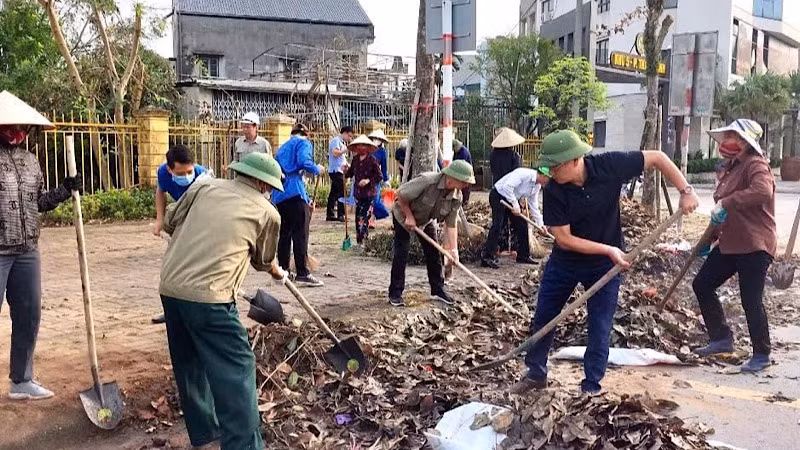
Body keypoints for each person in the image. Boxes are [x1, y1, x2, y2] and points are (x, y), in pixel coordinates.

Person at [511, 130, 699, 395]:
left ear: (575, 160)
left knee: (600, 324)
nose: (550, 171)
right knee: (545, 316)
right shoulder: (553, 189)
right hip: (566, 261)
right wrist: (608, 249)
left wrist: (686, 190)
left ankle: (591, 386)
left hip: (605, 266)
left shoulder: (610, 165)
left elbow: (657, 158)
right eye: (548, 166)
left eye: (555, 166)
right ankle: (536, 373)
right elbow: (563, 239)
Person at [160, 152, 286, 450]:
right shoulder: (268, 213)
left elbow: (168, 222)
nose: (269, 192)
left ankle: (206, 434)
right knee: (237, 368)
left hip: (171, 288)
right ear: (260, 182)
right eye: (268, 187)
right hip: (212, 299)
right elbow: (262, 260)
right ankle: (244, 445)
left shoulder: (204, 187)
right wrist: (277, 272)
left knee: (190, 363)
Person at [0, 91, 81, 400]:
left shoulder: (31, 161)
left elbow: (40, 202)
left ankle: (21, 381)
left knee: (30, 313)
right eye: (10, 126)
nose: (16, 131)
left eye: (21, 126)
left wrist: (65, 189)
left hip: (27, 251)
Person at [691, 119, 776, 373]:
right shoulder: (731, 168)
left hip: (754, 244)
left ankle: (762, 353)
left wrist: (727, 202)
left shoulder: (756, 165)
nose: (727, 139)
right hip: (730, 243)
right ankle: (721, 339)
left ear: (743, 142)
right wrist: (709, 239)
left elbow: (763, 191)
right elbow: (723, 212)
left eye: (732, 135)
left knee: (750, 299)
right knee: (702, 284)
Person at [388, 160, 475, 307]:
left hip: (425, 220)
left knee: (433, 253)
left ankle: (438, 290)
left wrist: (453, 250)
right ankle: (395, 293)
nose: (466, 185)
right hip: (403, 215)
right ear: (452, 178)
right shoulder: (428, 181)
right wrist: (409, 216)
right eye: (464, 181)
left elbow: (451, 223)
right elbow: (401, 195)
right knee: (402, 253)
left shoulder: (456, 196)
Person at [151, 145, 210, 324]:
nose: (186, 176)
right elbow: (160, 192)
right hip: (180, 218)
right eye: (181, 173)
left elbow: (212, 206)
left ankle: (203, 311)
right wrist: (159, 220)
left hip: (202, 221)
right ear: (170, 169)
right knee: (174, 267)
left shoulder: (204, 176)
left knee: (200, 268)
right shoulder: (163, 172)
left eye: (189, 172)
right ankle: (173, 312)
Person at [273, 123, 326, 287]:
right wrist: (318, 169)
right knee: (300, 233)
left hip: (280, 193)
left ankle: (283, 270)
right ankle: (302, 272)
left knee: (285, 234)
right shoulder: (303, 143)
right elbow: (304, 161)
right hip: (295, 192)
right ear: (305, 134)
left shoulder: (281, 149)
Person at [481, 167, 549, 269]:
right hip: (499, 195)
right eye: (548, 179)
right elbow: (507, 187)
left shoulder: (537, 186)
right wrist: (515, 204)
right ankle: (487, 257)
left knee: (522, 224)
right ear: (543, 175)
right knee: (498, 225)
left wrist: (541, 225)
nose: (548, 182)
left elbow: (533, 205)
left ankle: (523, 255)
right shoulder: (524, 174)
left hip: (512, 199)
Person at [344, 135, 383, 247]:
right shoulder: (355, 160)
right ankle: (359, 241)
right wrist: (345, 171)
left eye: (363, 146)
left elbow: (379, 176)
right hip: (358, 194)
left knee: (364, 217)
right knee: (358, 218)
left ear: (367, 147)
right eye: (358, 146)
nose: (360, 148)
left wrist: (368, 181)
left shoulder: (372, 160)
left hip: (369, 194)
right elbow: (350, 173)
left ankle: (364, 242)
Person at [326, 126, 354, 222]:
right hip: (335, 170)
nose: (350, 139)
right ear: (345, 133)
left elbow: (341, 158)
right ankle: (341, 215)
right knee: (342, 192)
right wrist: (345, 150)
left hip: (340, 170)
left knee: (333, 193)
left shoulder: (342, 142)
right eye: (349, 136)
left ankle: (330, 214)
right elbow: (335, 153)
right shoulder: (336, 140)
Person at [368, 129, 391, 224]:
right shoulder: (367, 149)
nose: (377, 140)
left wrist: (386, 180)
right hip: (366, 178)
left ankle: (372, 219)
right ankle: (367, 219)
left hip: (377, 179)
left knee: (375, 199)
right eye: (375, 138)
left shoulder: (382, 151)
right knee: (367, 200)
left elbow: (384, 167)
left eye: (379, 139)